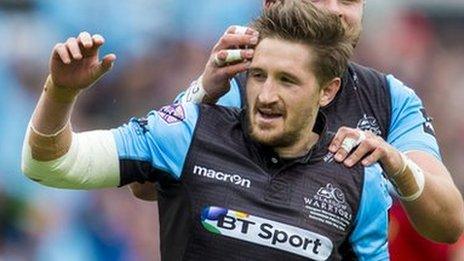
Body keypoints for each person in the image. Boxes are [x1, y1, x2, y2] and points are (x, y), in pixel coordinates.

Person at [22, 1, 395, 259]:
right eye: (259, 75)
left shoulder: (361, 181)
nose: (266, 95)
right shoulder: (188, 131)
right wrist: (61, 91)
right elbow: (50, 166)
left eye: (287, 81)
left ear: (326, 91)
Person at [130, 0, 464, 244]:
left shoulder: (390, 98)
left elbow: (450, 224)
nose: (335, 10)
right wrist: (203, 92)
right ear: (275, 5)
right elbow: (144, 186)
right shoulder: (236, 82)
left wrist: (397, 162)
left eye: (349, 0)